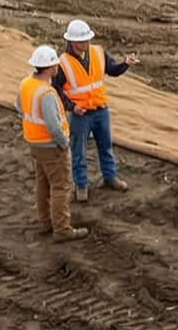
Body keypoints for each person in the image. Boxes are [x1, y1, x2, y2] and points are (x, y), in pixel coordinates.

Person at [53, 19, 131, 202]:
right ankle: (81, 186)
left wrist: (125, 64)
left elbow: (111, 69)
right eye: (82, 41)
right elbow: (56, 89)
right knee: (78, 151)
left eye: (87, 40)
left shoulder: (98, 52)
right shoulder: (62, 63)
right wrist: (72, 107)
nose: (86, 44)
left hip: (100, 109)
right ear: (72, 42)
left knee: (106, 146)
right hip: (81, 115)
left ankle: (110, 177)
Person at [20, 46, 86, 239]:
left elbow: (19, 106)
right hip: (51, 146)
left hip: (35, 143)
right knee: (61, 186)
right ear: (50, 68)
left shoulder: (26, 84)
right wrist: (64, 143)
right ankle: (62, 229)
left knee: (42, 183)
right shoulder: (46, 93)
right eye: (55, 64)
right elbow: (53, 126)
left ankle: (45, 222)